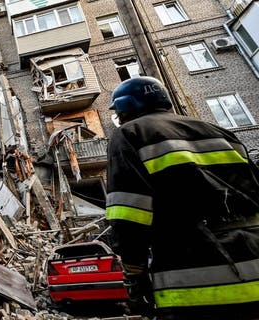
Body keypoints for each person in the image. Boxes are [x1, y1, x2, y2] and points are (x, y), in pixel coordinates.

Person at [105, 76, 259, 320]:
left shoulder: (130, 134)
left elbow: (129, 214)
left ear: (124, 108)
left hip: (194, 278)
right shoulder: (220, 133)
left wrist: (135, 275)